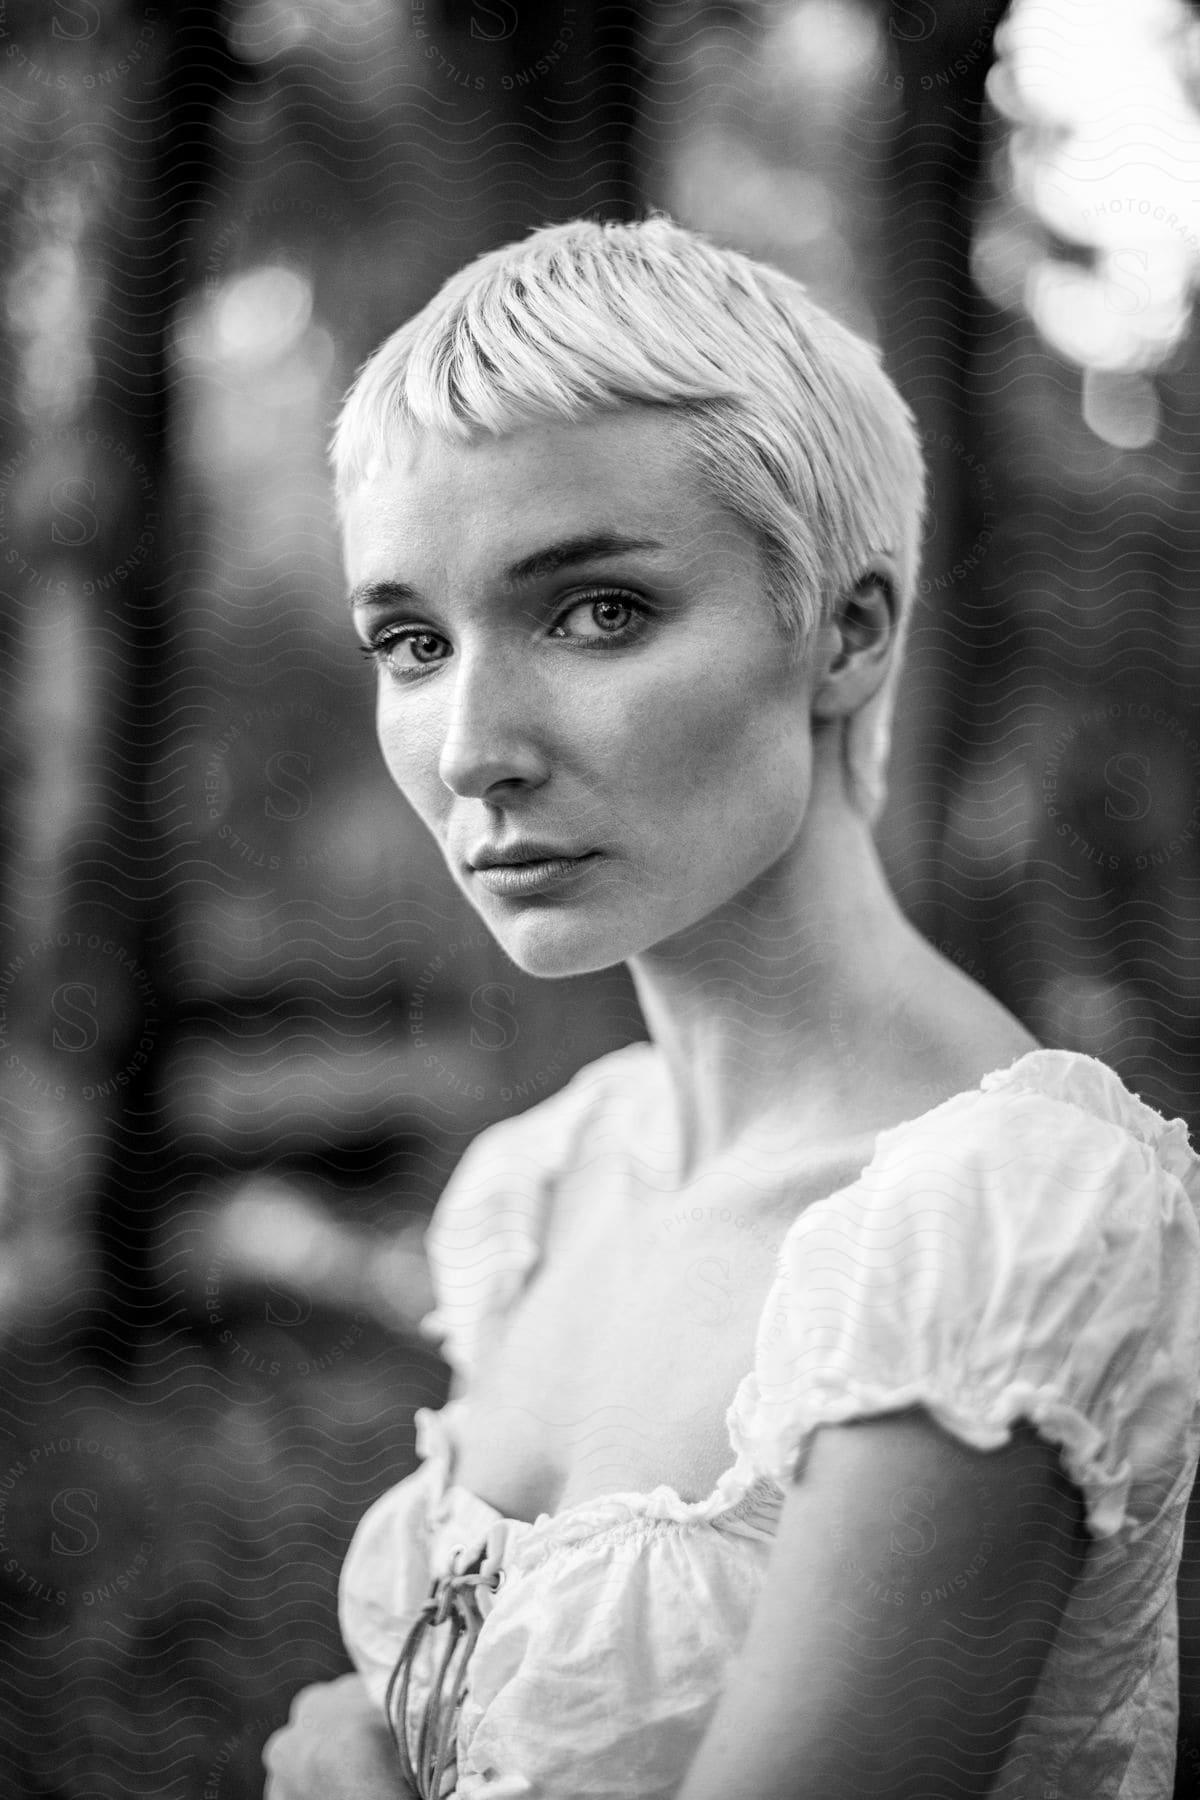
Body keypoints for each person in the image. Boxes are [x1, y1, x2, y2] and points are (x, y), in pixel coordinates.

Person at [262, 215, 1200, 1800]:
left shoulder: (998, 1230)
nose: (475, 742)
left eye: (595, 612)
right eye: (412, 641)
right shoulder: (547, 1181)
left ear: (847, 628)